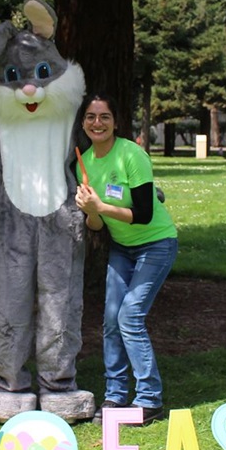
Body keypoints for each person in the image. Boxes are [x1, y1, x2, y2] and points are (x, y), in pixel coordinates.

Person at [74, 94, 177, 427]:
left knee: (131, 315)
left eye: (104, 116)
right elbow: (97, 226)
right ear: (83, 123)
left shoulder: (132, 155)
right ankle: (116, 396)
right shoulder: (84, 162)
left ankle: (149, 400)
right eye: (90, 117)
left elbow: (145, 214)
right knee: (111, 319)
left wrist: (100, 206)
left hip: (156, 243)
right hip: (122, 247)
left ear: (115, 122)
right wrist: (91, 212)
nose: (97, 123)